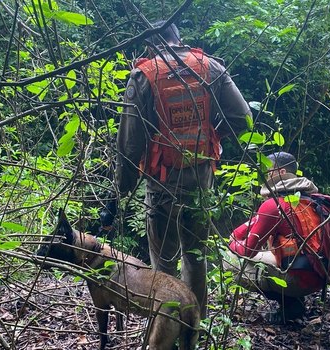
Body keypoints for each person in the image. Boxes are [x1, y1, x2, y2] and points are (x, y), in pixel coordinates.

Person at [103, 21, 251, 318]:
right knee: (196, 257)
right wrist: (215, 135)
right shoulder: (211, 68)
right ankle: (195, 328)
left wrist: (119, 194)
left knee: (164, 263)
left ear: (150, 44)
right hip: (201, 181)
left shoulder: (143, 76)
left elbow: (130, 146)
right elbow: (244, 118)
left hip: (162, 185)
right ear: (178, 38)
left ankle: (166, 330)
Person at [227, 152, 325, 323]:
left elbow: (247, 249)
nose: (266, 175)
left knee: (230, 261)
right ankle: (294, 301)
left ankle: (289, 303)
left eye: (268, 171)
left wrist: (232, 244)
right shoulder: (314, 199)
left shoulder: (274, 205)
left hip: (299, 281)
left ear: (279, 173)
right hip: (320, 278)